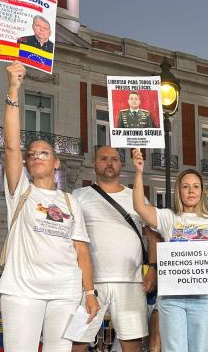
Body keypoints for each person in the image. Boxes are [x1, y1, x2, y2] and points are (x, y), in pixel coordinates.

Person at [0, 60, 99, 351]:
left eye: (44, 153)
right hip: (22, 290)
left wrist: (89, 293)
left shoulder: (70, 201)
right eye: (32, 154)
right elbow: (10, 145)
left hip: (65, 290)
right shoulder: (21, 191)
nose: (37, 156)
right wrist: (14, 90)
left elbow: (82, 251)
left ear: (56, 163)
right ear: (27, 163)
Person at [131, 149, 208, 352]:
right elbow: (139, 207)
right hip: (172, 299)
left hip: (205, 299)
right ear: (178, 191)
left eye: (196, 186)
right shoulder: (168, 218)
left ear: (202, 191)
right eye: (186, 186)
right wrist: (138, 172)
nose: (191, 191)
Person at [71, 146, 160, 352]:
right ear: (94, 163)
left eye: (114, 159)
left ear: (121, 164)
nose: (109, 162)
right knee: (77, 342)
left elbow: (153, 236)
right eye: (103, 158)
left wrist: (153, 268)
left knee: (133, 345)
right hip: (90, 283)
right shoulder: (78, 195)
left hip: (131, 282)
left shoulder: (136, 197)